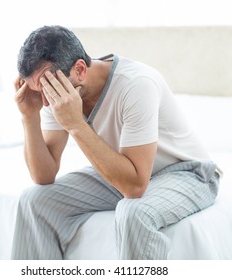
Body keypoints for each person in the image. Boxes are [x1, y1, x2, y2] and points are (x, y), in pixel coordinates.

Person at [11, 25, 220, 260]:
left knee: (133, 212)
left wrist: (76, 125)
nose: (47, 104)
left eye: (47, 91)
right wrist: (29, 116)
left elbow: (134, 188)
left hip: (187, 173)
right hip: (126, 171)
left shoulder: (136, 84)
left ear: (80, 69)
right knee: (34, 201)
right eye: (39, 92)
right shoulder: (54, 90)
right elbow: (44, 176)